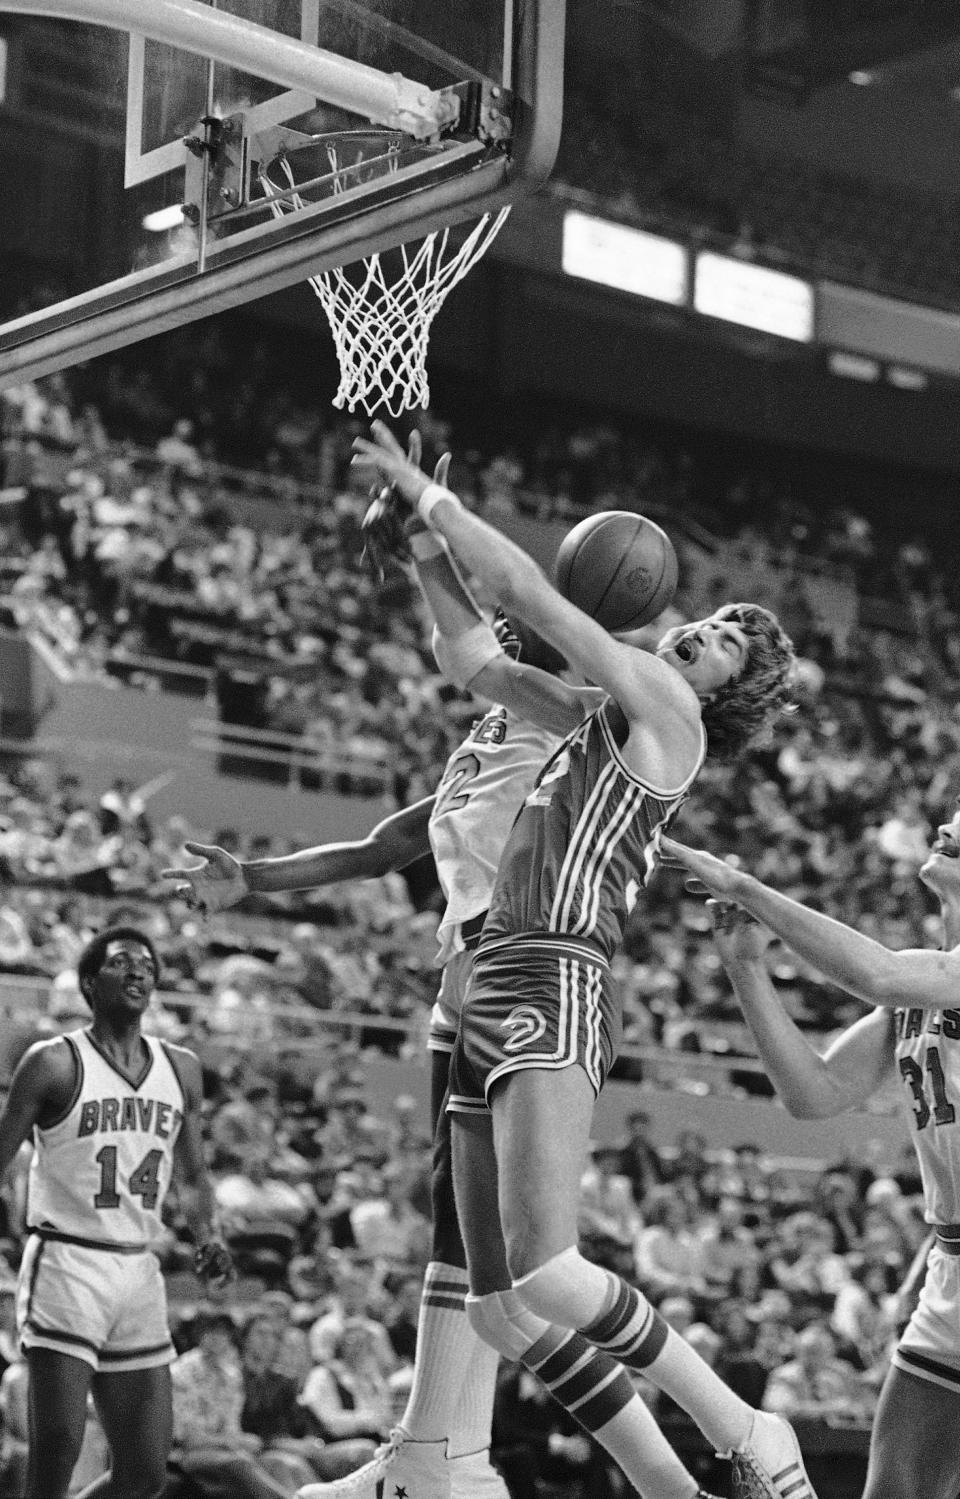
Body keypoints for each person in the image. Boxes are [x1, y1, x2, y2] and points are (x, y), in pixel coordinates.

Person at [345, 422, 810, 1499]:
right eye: (710, 616)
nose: (707, 626)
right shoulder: (598, 709)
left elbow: (547, 608)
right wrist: (421, 552)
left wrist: (436, 503)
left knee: (552, 1269)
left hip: (556, 970)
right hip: (490, 972)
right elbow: (477, 660)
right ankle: (670, 1488)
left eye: (729, 638)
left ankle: (747, 1427)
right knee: (498, 1301)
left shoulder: (668, 713)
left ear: (724, 689)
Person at [662, 802, 960, 1499]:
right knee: (895, 1489)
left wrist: (748, 888)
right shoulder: (922, 989)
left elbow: (879, 972)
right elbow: (815, 1090)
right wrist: (746, 970)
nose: (948, 826)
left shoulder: (917, 976)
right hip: (951, 1269)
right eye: (947, 818)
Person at [0, 923, 233, 1499]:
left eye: (149, 966)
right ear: (87, 983)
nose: (138, 972)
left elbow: (195, 1174)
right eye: (122, 963)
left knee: (146, 1472)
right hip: (67, 1261)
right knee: (57, 1446)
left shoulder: (181, 1067)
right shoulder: (52, 1062)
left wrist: (209, 1235)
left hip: (137, 1266)